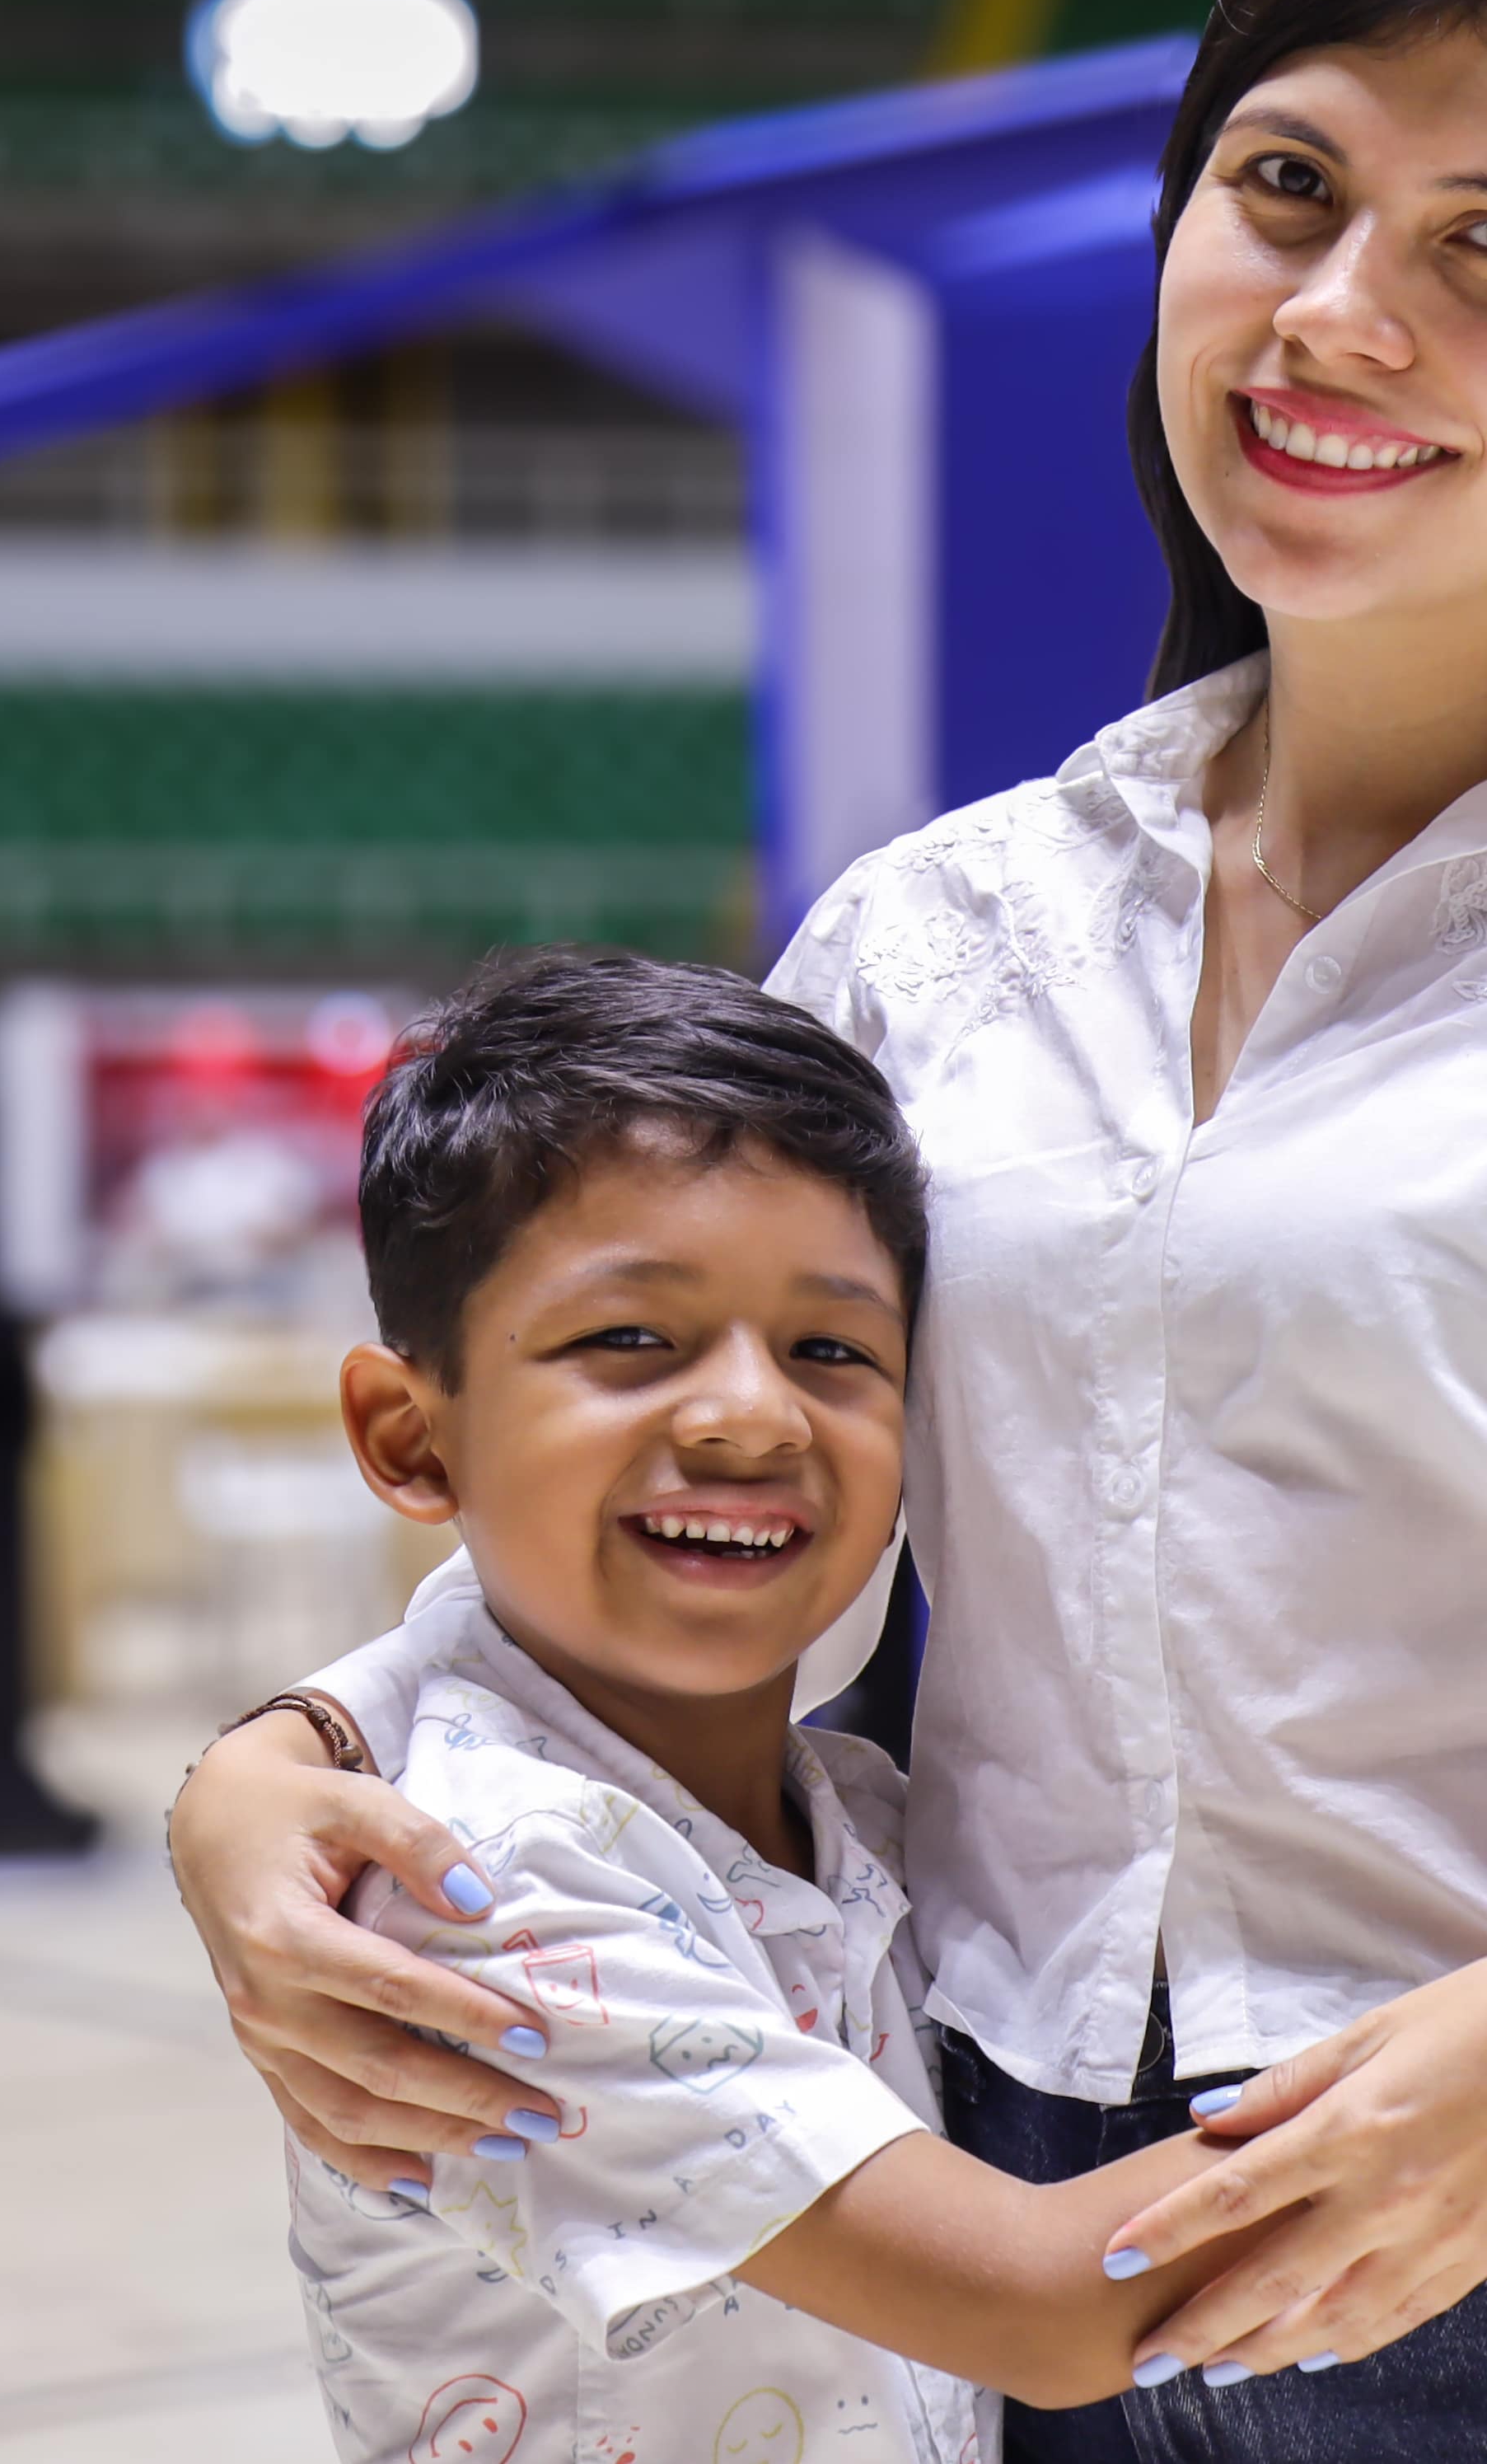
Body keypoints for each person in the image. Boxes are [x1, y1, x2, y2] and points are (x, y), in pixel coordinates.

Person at [171, 0, 1487, 2457]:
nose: (1336, 311)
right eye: (1285, 186)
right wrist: (286, 1763)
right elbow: (713, 1524)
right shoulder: (937, 933)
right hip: (981, 2222)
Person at [282, 952, 1279, 2455]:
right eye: (629, 1338)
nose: (752, 1414)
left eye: (832, 1351)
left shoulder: (860, 1812)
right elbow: (1052, 2306)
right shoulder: (487, 1893)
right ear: (411, 1438)